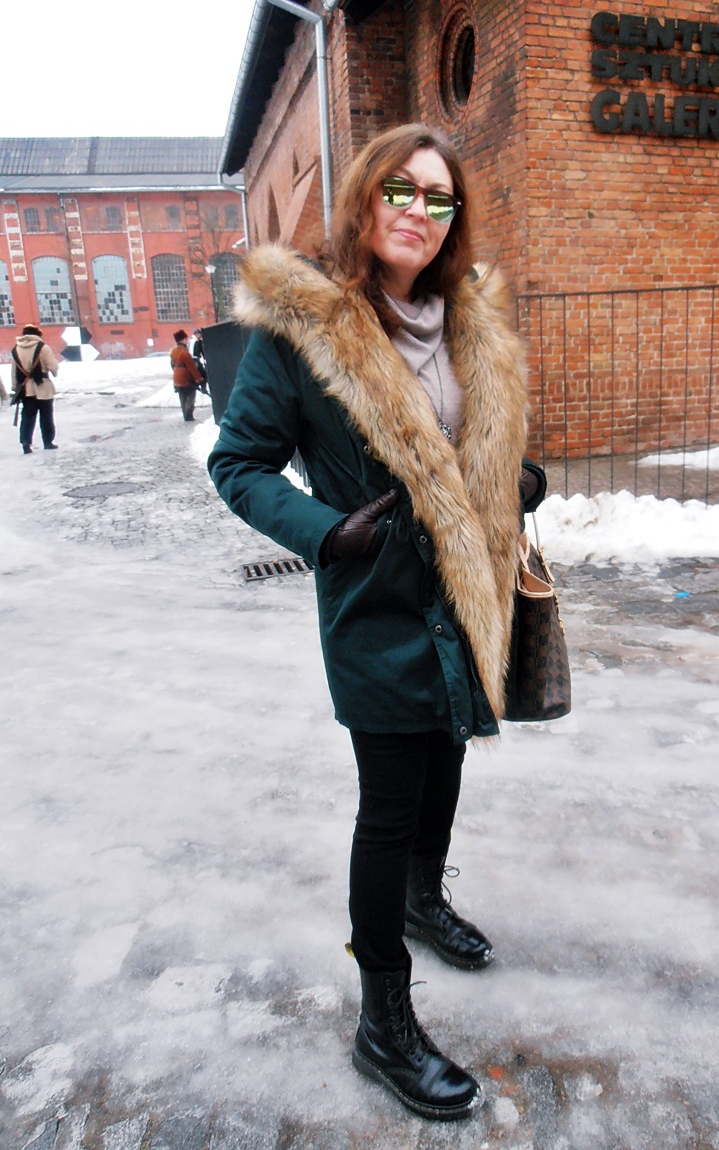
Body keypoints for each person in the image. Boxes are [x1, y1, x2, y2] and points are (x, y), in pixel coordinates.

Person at [208, 123, 545, 1121]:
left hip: (466, 597)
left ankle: (423, 898)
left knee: (447, 766)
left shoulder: (472, 321)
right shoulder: (306, 328)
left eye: (439, 198)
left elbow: (474, 441)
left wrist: (513, 476)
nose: (419, 212)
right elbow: (239, 465)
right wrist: (324, 532)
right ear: (365, 198)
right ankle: (382, 1020)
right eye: (402, 189)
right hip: (378, 607)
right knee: (389, 804)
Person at [11, 323, 59, 454]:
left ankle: (25, 442)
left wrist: (15, 388)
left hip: (26, 390)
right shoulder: (43, 347)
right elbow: (53, 366)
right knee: (46, 416)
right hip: (44, 387)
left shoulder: (16, 349)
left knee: (27, 417)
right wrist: (54, 373)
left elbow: (14, 372)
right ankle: (48, 442)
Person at [169, 329, 203, 421]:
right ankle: (189, 414)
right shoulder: (185, 353)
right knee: (191, 395)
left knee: (182, 397)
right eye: (185, 339)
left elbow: (172, 365)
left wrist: (177, 371)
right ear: (182, 340)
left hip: (177, 378)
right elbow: (192, 367)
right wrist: (198, 379)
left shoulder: (173, 352)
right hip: (186, 378)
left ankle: (185, 414)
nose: (187, 341)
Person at [191, 328, 209, 394]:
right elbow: (198, 353)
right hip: (197, 361)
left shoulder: (194, 341)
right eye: (197, 334)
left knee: (200, 375)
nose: (199, 335)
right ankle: (202, 388)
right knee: (203, 375)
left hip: (195, 360)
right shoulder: (197, 342)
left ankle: (200, 387)